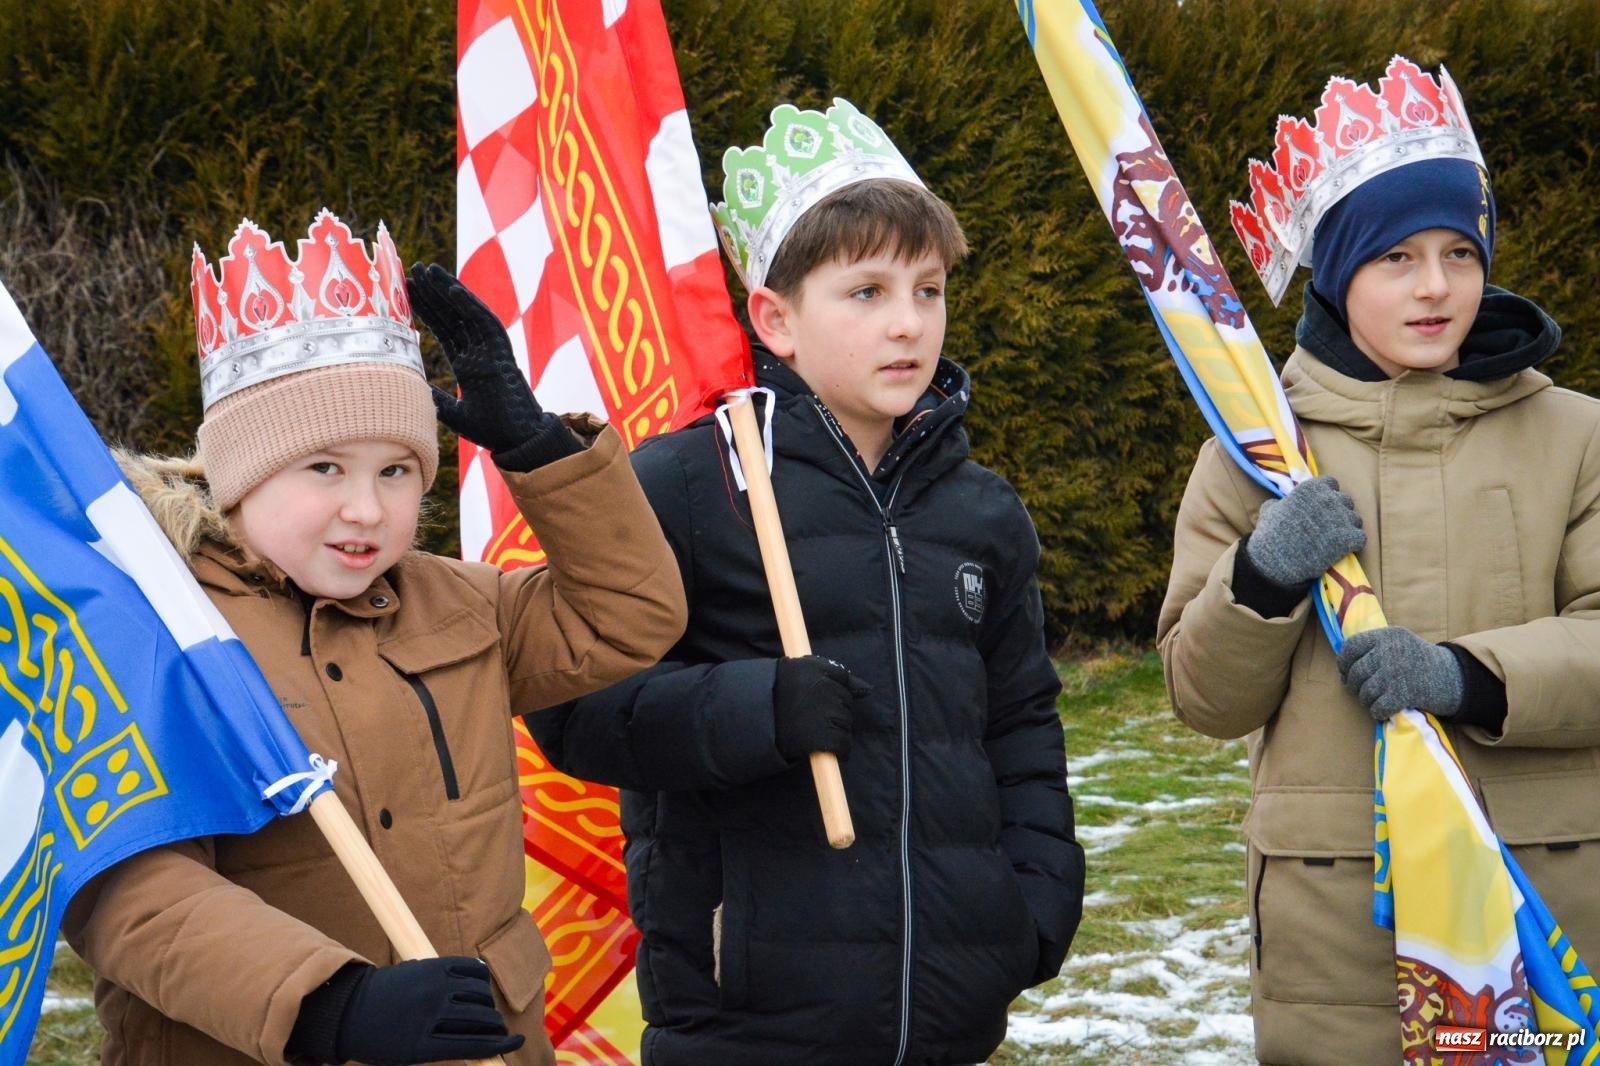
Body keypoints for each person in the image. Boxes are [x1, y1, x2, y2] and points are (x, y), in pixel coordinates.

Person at [525, 97, 1084, 1065]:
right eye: (865, 292)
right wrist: (758, 709)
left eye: (928, 289)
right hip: (745, 1022)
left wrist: (1033, 899)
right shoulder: (685, 487)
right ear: (775, 319)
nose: (908, 323)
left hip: (946, 1017)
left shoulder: (984, 514)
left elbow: (1021, 721)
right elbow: (570, 704)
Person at [60, 210, 687, 1066]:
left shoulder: (464, 605)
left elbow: (630, 613)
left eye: (396, 471)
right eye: (325, 468)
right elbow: (129, 890)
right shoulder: (156, 633)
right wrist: (326, 1003)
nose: (367, 509)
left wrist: (541, 452)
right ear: (242, 473)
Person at [1159, 57, 1600, 1065]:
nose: (1437, 285)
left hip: (1547, 908)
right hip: (1335, 934)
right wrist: (1262, 577)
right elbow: (1201, 697)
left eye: (1458, 250)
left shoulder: (1577, 439)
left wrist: (1464, 675)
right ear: (1334, 268)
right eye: (1394, 257)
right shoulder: (1254, 455)